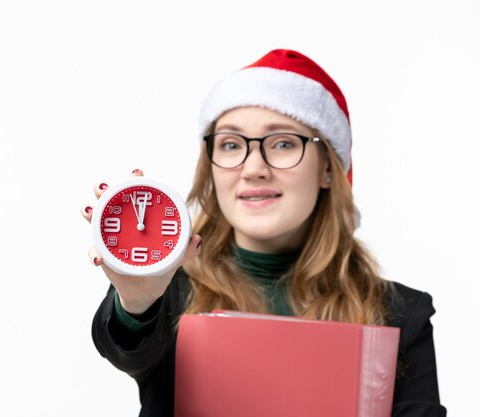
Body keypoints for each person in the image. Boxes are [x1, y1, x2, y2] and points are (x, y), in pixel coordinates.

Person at [81, 49, 446, 417]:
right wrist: (138, 302)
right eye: (230, 144)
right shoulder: (171, 293)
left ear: (329, 169)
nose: (253, 168)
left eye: (284, 143)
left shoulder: (400, 314)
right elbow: (127, 345)